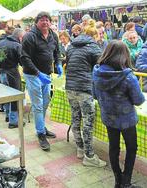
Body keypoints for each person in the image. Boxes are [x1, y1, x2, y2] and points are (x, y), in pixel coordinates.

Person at [93, 40, 145, 188]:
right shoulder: (128, 76)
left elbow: (95, 95)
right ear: (124, 55)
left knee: (113, 147)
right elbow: (139, 100)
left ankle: (117, 180)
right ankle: (126, 182)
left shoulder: (96, 73)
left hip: (109, 118)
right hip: (127, 120)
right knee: (131, 147)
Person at [65, 19, 106, 167]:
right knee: (88, 122)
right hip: (83, 88)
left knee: (76, 118)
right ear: (94, 36)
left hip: (70, 87)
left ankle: (80, 149)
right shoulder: (93, 46)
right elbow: (103, 65)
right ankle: (89, 156)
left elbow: (68, 64)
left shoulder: (71, 45)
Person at [21, 11, 62, 151]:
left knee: (46, 103)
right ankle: (41, 133)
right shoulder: (29, 37)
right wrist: (38, 74)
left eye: (47, 20)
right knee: (38, 105)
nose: (45, 22)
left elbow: (57, 52)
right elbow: (24, 58)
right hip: (33, 75)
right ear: (36, 22)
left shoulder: (52, 35)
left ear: (50, 22)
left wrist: (58, 64)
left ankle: (41, 126)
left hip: (47, 74)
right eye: (42, 20)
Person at [0, 28, 25, 129]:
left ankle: (7, 116)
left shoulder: (0, 43)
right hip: (12, 73)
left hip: (1, 72)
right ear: (20, 37)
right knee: (15, 96)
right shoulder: (17, 45)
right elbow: (22, 62)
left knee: (5, 95)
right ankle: (13, 121)